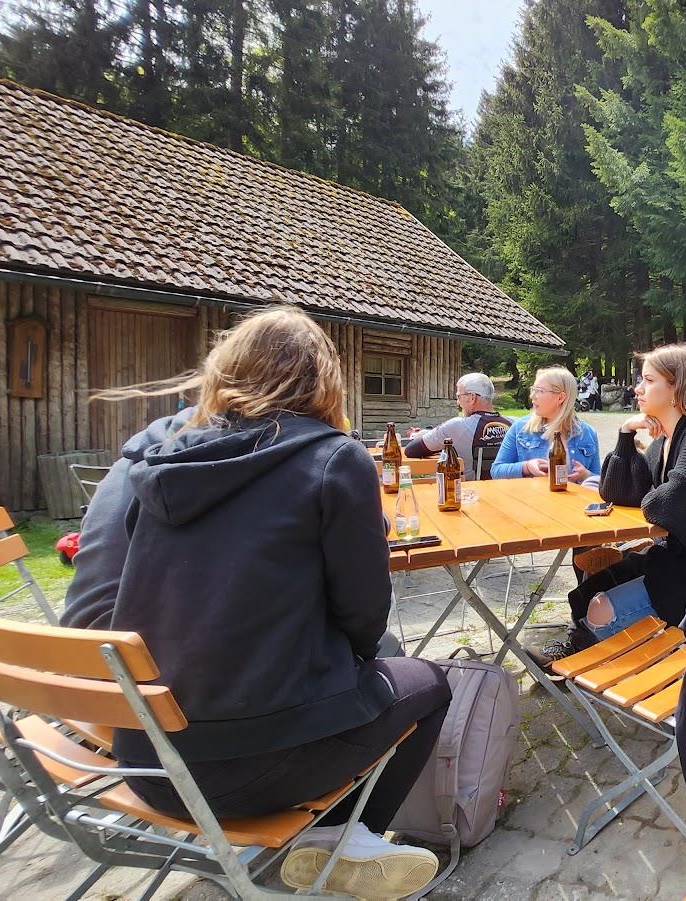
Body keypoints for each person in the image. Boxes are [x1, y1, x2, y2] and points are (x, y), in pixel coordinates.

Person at [61, 306, 450, 899]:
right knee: (427, 681)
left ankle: (338, 836)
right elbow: (363, 617)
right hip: (253, 772)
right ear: (324, 380)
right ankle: (343, 842)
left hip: (144, 756)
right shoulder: (333, 457)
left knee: (375, 661)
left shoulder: (158, 457)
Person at [526, 344, 686, 668]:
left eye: (648, 380)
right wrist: (625, 434)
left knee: (601, 606)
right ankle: (578, 649)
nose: (638, 388)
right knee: (600, 582)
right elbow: (617, 492)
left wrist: (651, 493)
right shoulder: (667, 438)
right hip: (684, 557)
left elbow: (669, 504)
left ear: (676, 386)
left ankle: (581, 661)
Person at [490, 366, 600, 482]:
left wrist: (586, 475)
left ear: (561, 397)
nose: (532, 396)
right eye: (533, 389)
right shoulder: (520, 428)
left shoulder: (588, 433)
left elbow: (600, 482)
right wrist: (526, 467)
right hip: (532, 499)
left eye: (540, 391)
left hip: (575, 500)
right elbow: (496, 471)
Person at [404, 372, 511, 480]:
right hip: (510, 492)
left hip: (472, 493)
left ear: (472, 397)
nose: (458, 403)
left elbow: (411, 450)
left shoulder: (456, 426)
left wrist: (421, 436)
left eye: (459, 396)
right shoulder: (514, 424)